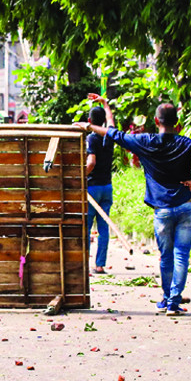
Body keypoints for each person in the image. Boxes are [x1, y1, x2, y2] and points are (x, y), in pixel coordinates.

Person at [78, 101, 191, 315]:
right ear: (177, 122)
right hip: (186, 206)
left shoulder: (146, 141)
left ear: (156, 121)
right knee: (181, 256)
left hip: (163, 210)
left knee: (166, 256)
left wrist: (88, 127)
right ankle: (173, 301)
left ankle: (168, 299)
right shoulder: (186, 143)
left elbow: (115, 134)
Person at [84, 97, 115, 274]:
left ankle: (85, 266)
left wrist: (81, 177)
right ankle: (100, 265)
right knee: (103, 228)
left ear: (89, 121)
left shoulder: (92, 138)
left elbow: (91, 162)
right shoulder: (110, 134)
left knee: (87, 228)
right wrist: (105, 103)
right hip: (107, 187)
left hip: (92, 188)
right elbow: (111, 120)